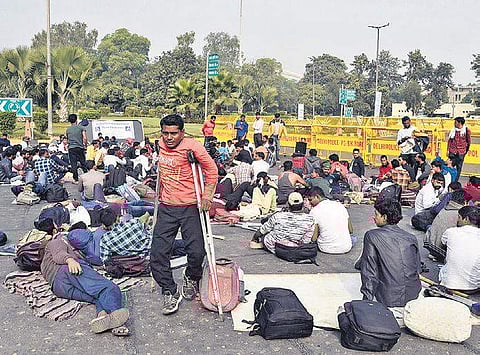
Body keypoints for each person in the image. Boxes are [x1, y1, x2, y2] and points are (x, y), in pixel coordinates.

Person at [150, 114, 218, 315]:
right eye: (165, 133)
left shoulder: (193, 146)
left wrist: (207, 195)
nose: (169, 137)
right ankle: (169, 290)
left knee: (196, 251)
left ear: (182, 132)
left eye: (173, 133)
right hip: (167, 207)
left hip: (190, 206)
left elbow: (212, 170)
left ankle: (191, 275)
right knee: (157, 254)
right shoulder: (160, 145)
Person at [41, 236, 129, 335]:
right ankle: (117, 322)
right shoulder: (55, 242)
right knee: (109, 288)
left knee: (96, 297)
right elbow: (59, 254)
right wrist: (70, 260)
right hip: (69, 272)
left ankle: (102, 315)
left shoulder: (43, 265)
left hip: (59, 288)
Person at [357, 199, 421, 308]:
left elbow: (369, 271)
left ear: (385, 217)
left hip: (389, 298)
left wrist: (366, 303)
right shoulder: (411, 237)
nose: (374, 217)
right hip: (413, 295)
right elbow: (417, 268)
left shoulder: (372, 235)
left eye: (376, 214)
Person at [250, 192, 316, 254]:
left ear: (288, 204)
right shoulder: (310, 219)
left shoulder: (278, 216)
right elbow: (306, 240)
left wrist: (254, 238)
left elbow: (263, 230)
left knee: (267, 232)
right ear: (302, 205)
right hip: (294, 247)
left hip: (275, 245)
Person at [440, 206, 480, 292]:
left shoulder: (451, 232)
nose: (457, 220)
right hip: (474, 287)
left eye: (459, 217)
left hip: (449, 285)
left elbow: (443, 242)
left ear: (466, 219)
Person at [307, 187, 353, 254]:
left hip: (325, 248)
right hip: (346, 247)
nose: (310, 203)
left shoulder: (314, 211)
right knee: (353, 238)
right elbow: (350, 230)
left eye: (310, 200)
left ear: (317, 197)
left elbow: (313, 238)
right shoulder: (340, 205)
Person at [424, 190, 465, 262]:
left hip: (430, 245)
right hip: (441, 249)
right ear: (465, 201)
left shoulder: (446, 208)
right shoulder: (460, 213)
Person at [447, 117, 471, 181]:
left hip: (461, 152)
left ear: (460, 123)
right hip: (452, 151)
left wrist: (464, 151)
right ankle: (448, 179)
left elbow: (469, 142)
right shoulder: (453, 130)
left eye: (456, 122)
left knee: (459, 167)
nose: (454, 124)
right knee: (449, 165)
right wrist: (448, 150)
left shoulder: (466, 130)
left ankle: (455, 181)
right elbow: (450, 141)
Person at [66, 113, 87, 184]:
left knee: (73, 164)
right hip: (80, 147)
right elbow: (85, 138)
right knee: (83, 163)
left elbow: (68, 139)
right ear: (76, 120)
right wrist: (85, 145)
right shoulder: (81, 128)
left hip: (71, 148)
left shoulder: (68, 130)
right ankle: (86, 176)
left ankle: (76, 179)